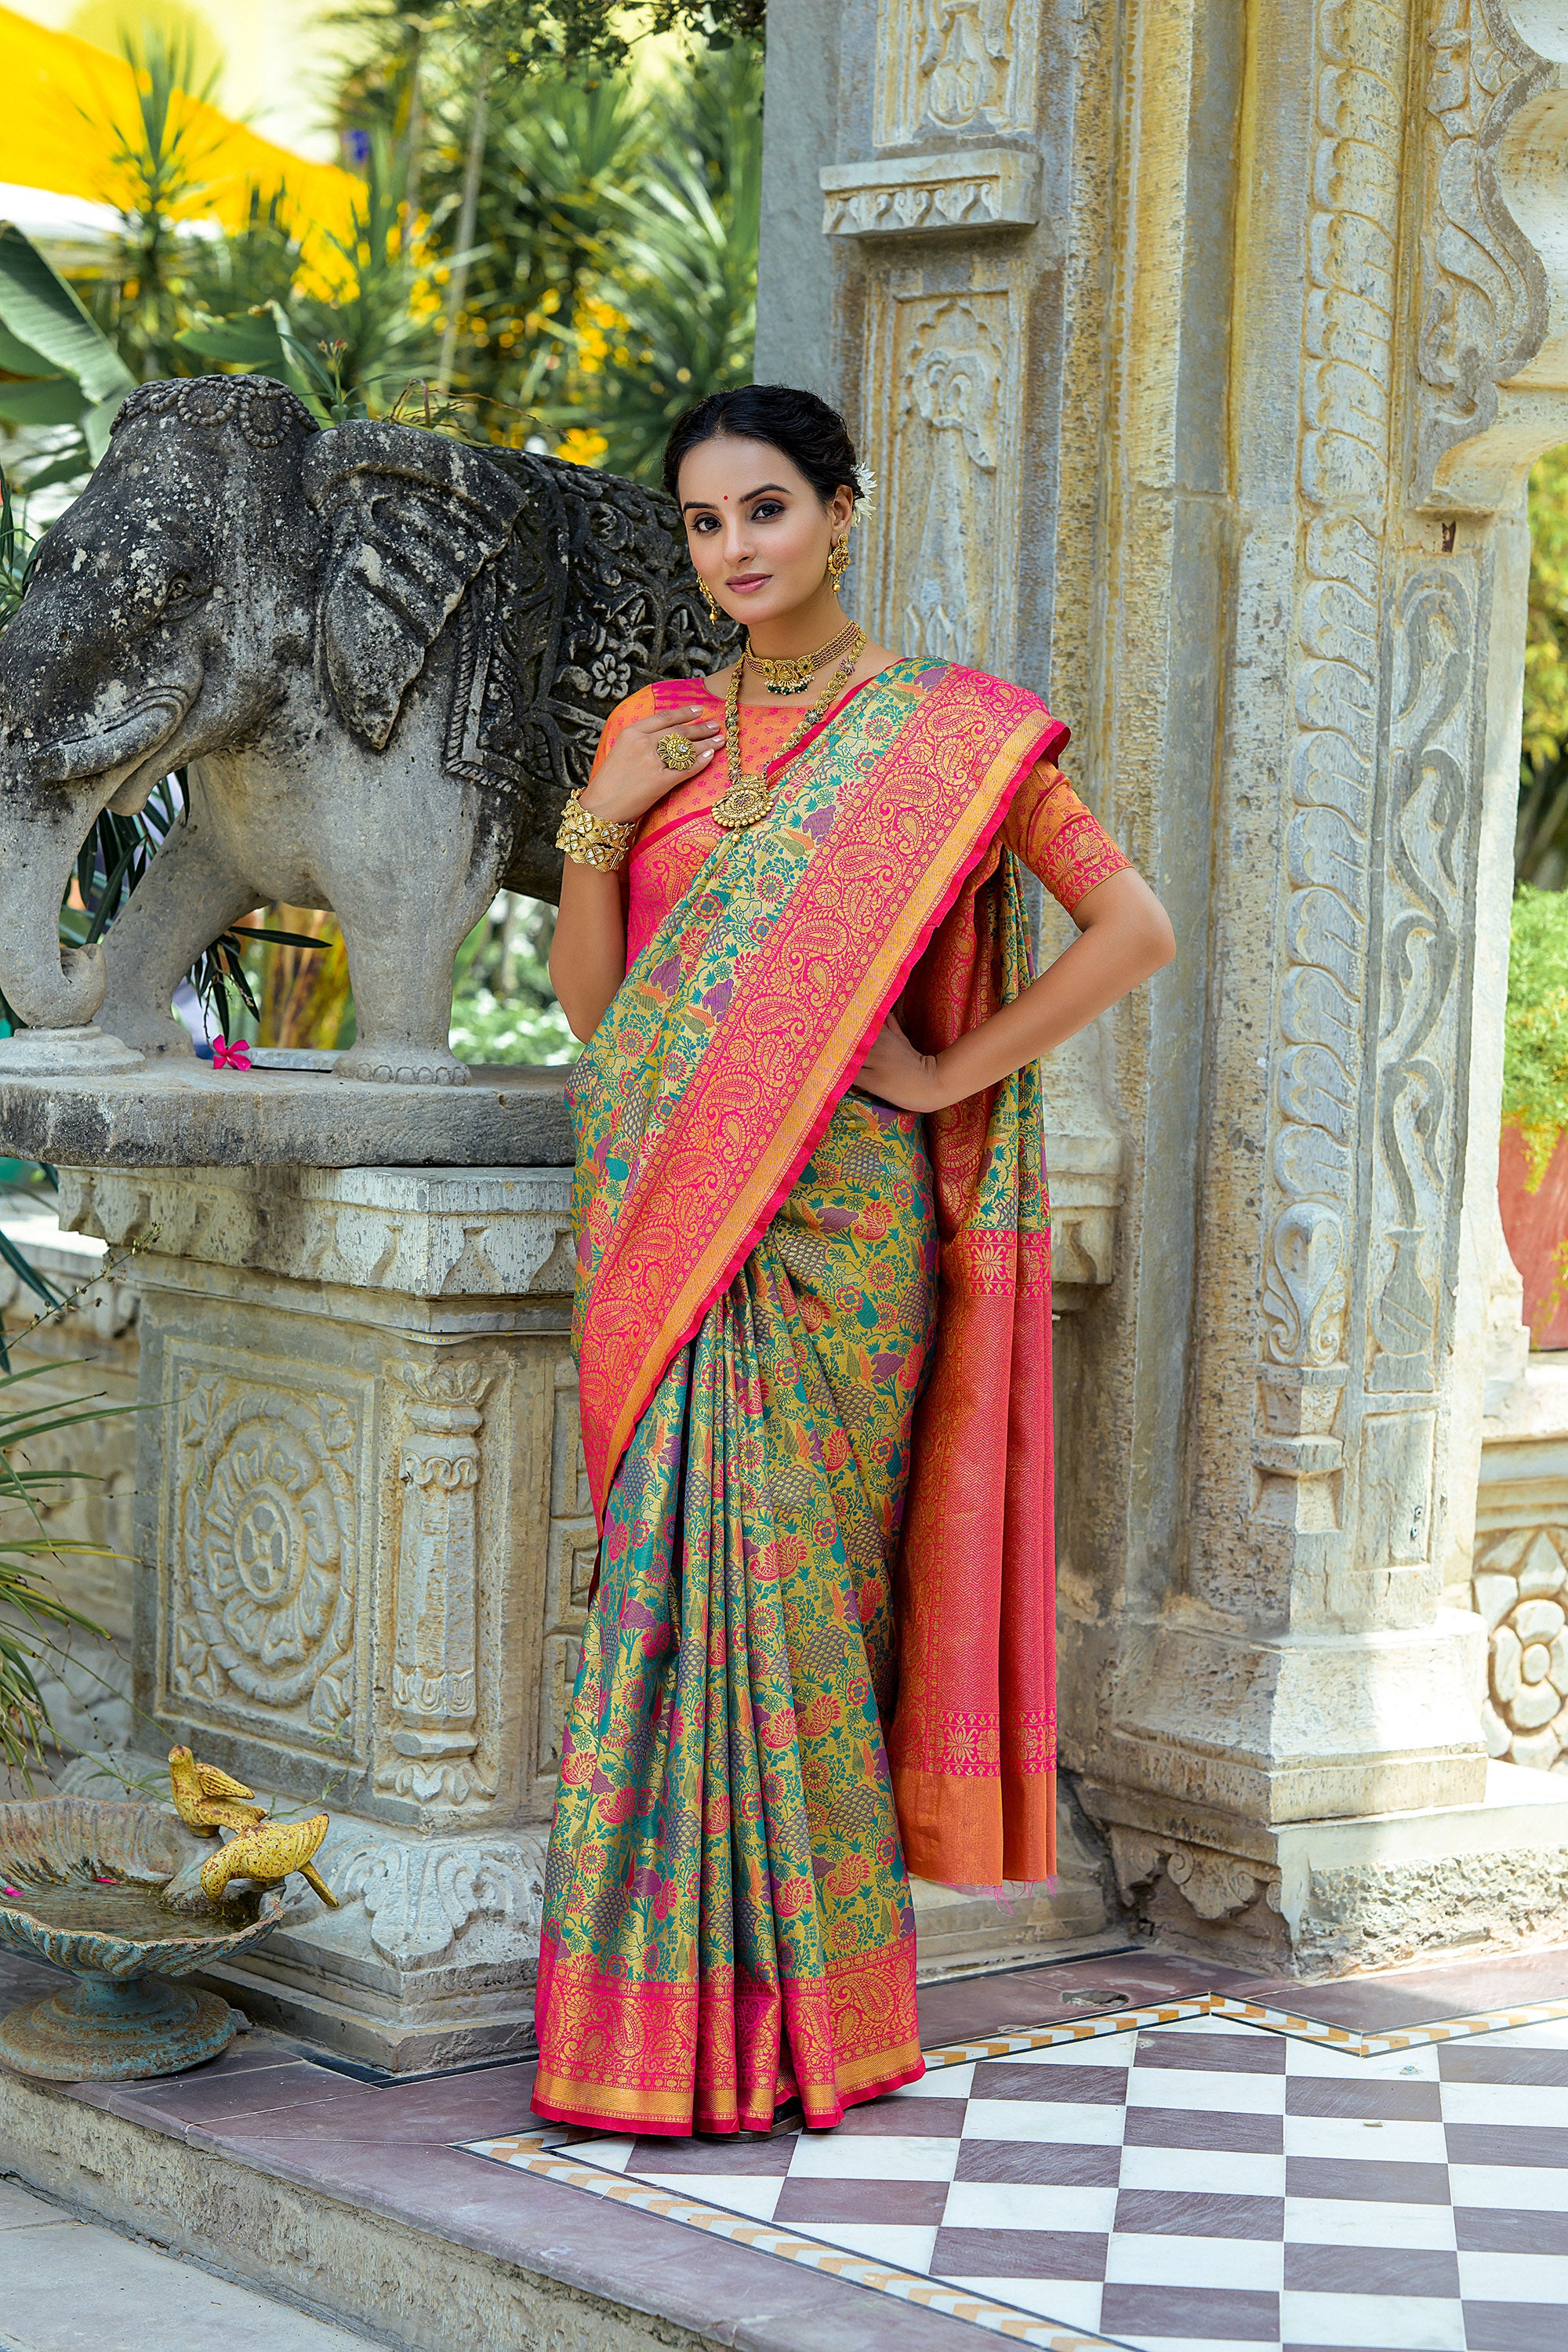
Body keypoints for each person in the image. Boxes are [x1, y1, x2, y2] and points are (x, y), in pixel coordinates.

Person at [534, 384, 1174, 2139]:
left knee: (807, 1611)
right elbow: (599, 1014)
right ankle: (652, 2038)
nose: (734, 549)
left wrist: (951, 1075)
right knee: (665, 1607)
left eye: (765, 510)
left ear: (839, 511)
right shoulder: (657, 729)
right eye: (703, 523)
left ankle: (816, 2025)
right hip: (668, 1213)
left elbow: (1132, 926)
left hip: (841, 1239)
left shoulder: (950, 738)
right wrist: (601, 809)